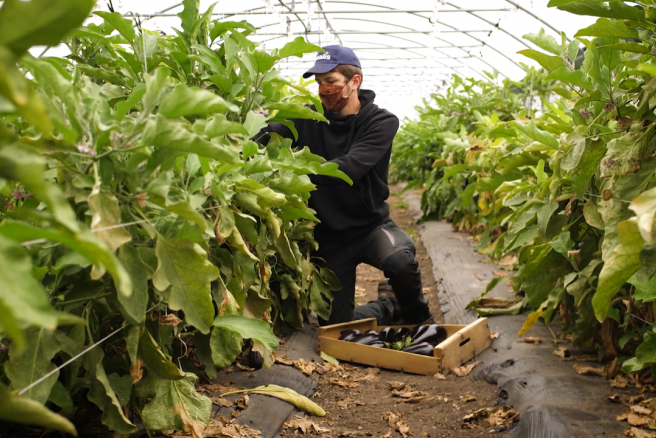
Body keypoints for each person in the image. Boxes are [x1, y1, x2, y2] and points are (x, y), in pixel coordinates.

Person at [256, 45, 433, 326]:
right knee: (338, 327)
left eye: (331, 82)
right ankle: (389, 308)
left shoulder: (381, 121)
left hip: (371, 227)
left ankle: (419, 318)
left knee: (400, 262)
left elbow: (350, 167)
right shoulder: (308, 118)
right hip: (331, 238)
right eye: (319, 83)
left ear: (355, 82)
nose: (324, 90)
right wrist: (250, 127)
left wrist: (295, 170)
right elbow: (266, 134)